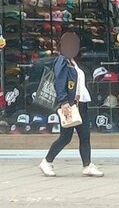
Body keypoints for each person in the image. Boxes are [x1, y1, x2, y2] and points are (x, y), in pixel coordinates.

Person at [39, 30, 103, 178]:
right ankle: (47, 161)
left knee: (85, 136)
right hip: (70, 104)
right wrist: (64, 102)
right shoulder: (62, 60)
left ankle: (87, 165)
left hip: (80, 103)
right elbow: (60, 82)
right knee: (65, 137)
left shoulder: (71, 61)